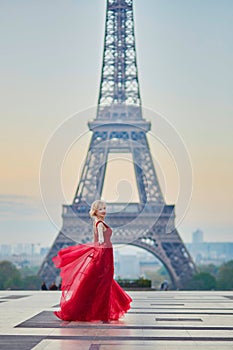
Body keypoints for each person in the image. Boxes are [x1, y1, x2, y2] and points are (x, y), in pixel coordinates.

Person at [52, 200, 132, 322]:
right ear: (95, 211)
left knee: (102, 282)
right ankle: (102, 313)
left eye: (104, 208)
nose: (104, 211)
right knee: (104, 283)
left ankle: (99, 311)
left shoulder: (99, 222)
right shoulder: (99, 223)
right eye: (101, 209)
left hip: (105, 254)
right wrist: (100, 242)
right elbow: (100, 238)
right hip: (104, 254)